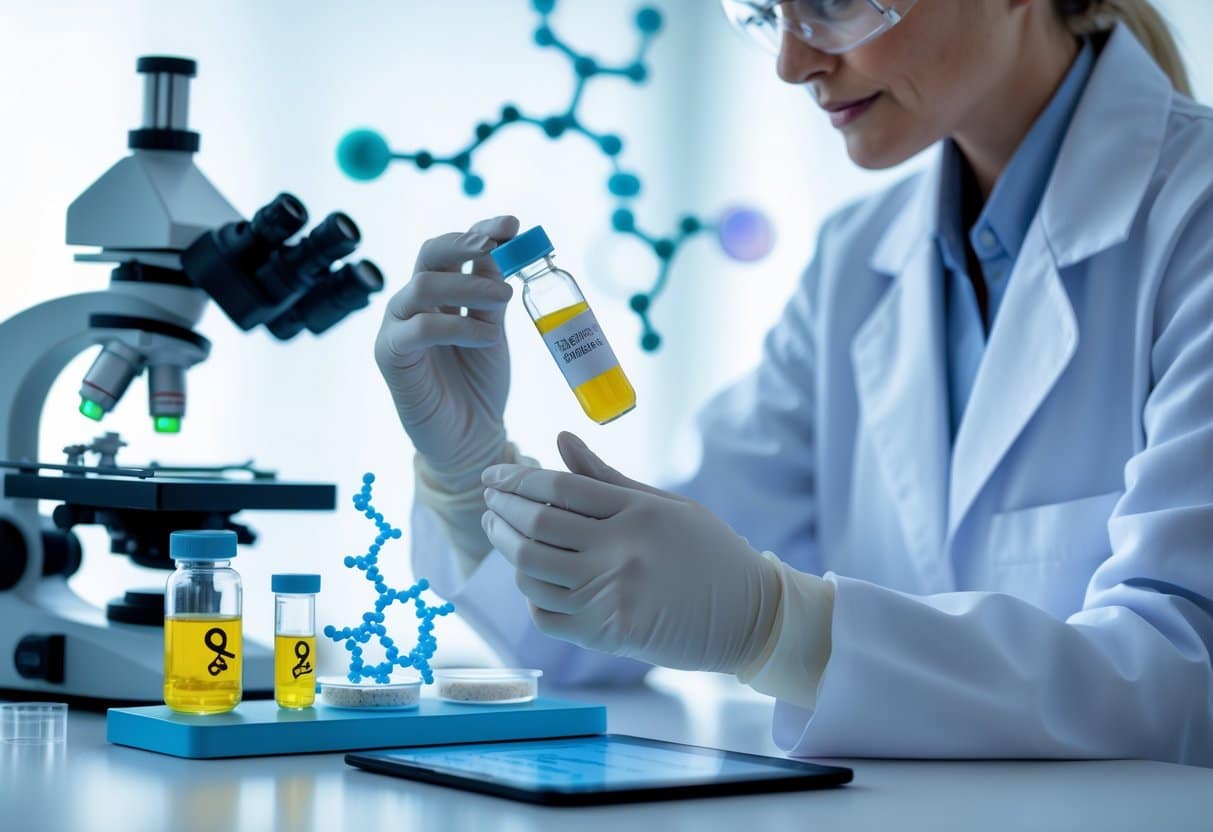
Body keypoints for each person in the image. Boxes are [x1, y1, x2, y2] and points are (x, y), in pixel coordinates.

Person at [374, 0, 1213, 766]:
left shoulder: (1195, 219)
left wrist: (785, 628)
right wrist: (468, 468)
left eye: (833, 3)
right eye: (765, 11)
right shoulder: (856, 262)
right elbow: (603, 628)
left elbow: (1182, 679)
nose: (789, 62)